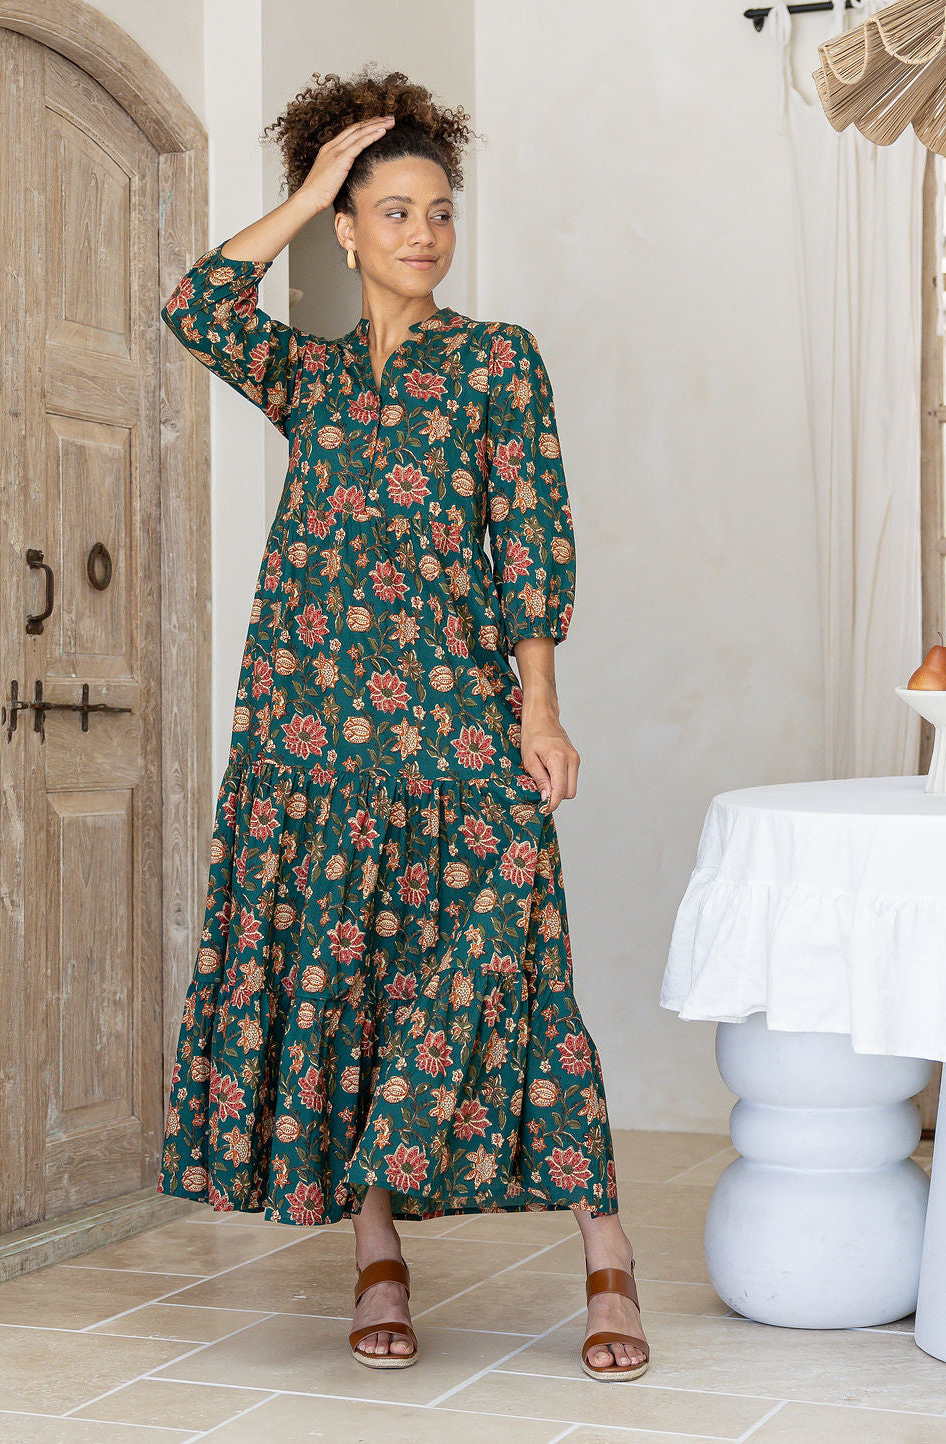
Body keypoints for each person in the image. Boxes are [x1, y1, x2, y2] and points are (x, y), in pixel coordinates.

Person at [157, 67, 649, 1383]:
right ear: (350, 228)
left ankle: (607, 1254)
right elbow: (194, 302)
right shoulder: (307, 380)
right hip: (312, 746)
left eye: (441, 210)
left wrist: (539, 706)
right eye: (393, 210)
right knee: (353, 990)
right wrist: (309, 183)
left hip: (459, 731)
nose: (424, 232)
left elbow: (530, 542)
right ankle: (375, 1253)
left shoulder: (496, 365)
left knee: (517, 979)